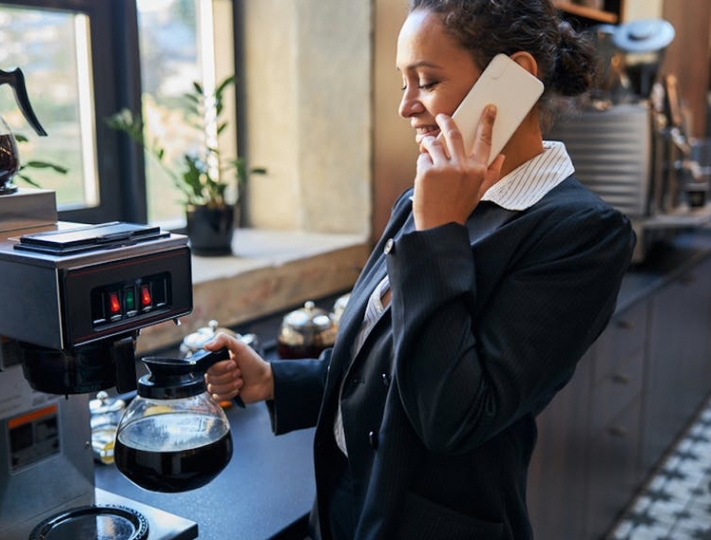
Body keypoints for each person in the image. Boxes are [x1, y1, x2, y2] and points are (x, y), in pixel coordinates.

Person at [205, 0, 636, 538]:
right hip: (344, 509)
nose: (406, 107)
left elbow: (453, 416)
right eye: (403, 83)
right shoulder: (421, 201)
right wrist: (274, 381)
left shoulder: (581, 234)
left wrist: (437, 235)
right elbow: (385, 367)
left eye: (426, 82)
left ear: (514, 79)